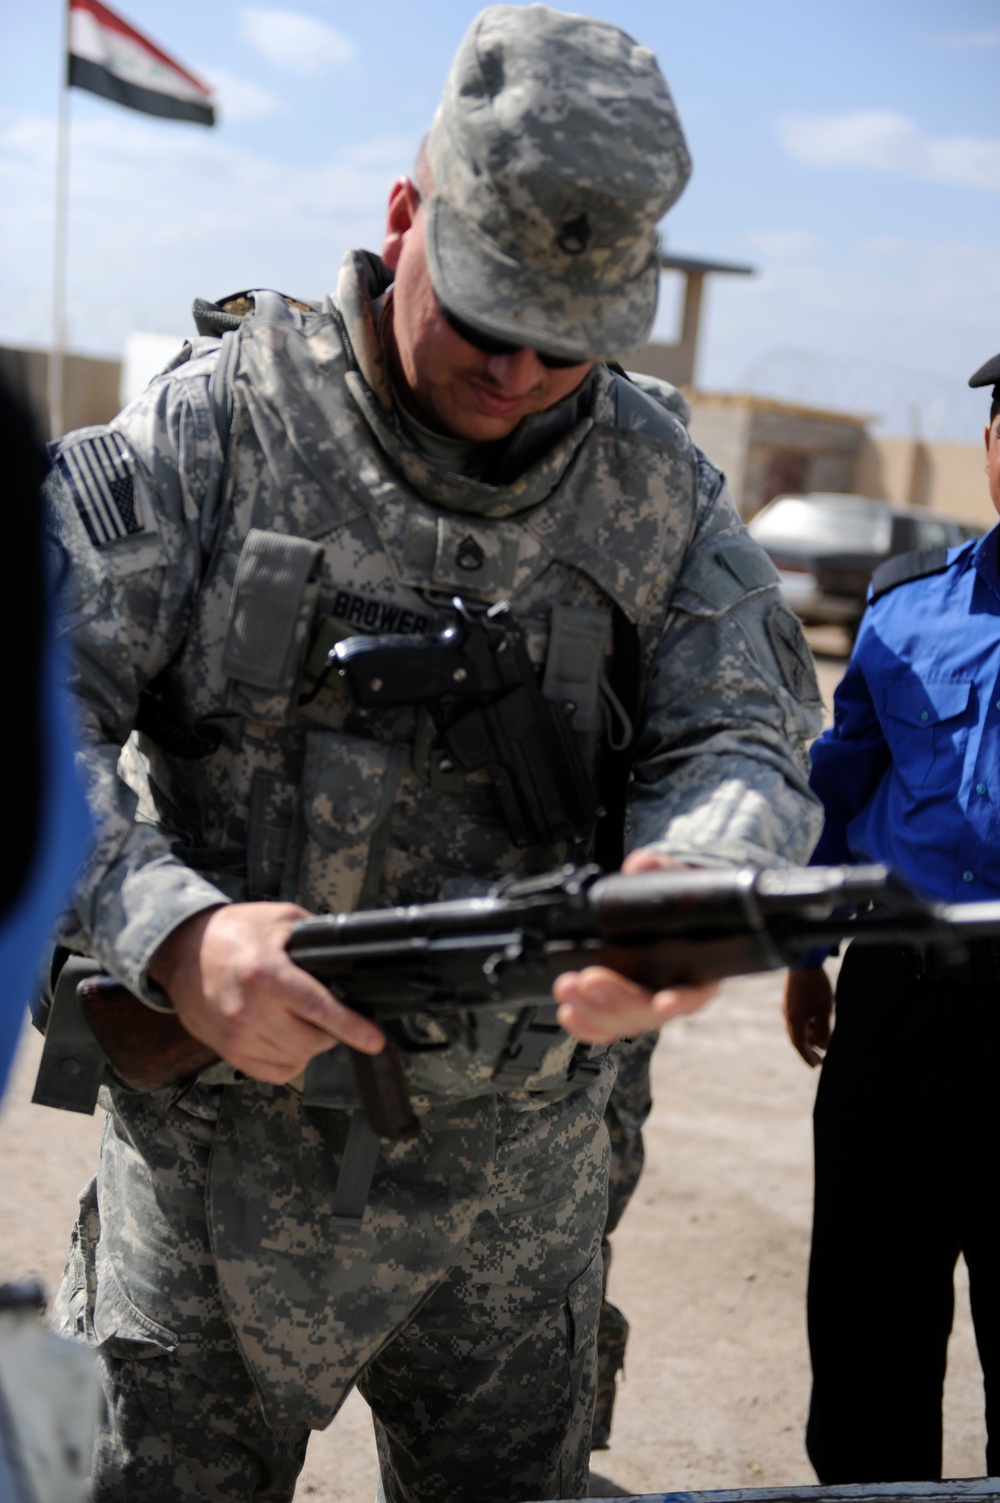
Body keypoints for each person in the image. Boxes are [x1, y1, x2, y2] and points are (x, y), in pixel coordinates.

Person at [45, 8, 823, 1499]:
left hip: (519, 1193)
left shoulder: (658, 487)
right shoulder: (214, 433)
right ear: (405, 218)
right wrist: (176, 929)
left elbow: (743, 725)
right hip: (209, 1173)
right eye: (487, 320)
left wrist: (702, 868)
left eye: (570, 342)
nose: (524, 372)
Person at [783, 347, 1000, 1484]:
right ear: (988, 449)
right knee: (867, 1306)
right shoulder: (907, 607)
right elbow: (843, 778)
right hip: (899, 1000)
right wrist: (807, 950)